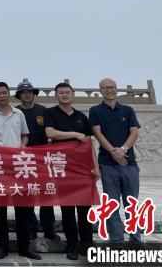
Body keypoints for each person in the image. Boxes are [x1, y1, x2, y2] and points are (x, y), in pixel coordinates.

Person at [0, 82, 40, 260]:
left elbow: (25, 135)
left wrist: (22, 148)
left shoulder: (19, 113)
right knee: (0, 208)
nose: (1, 96)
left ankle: (24, 246)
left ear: (9, 94)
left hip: (18, 165)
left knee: (21, 208)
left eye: (4, 93)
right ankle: (2, 246)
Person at [45, 82, 100, 260]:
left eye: (67, 92)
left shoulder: (81, 117)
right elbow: (51, 133)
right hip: (62, 167)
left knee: (84, 209)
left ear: (73, 94)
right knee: (67, 209)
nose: (65, 95)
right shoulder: (51, 113)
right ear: (56, 95)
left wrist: (95, 166)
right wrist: (75, 135)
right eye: (61, 93)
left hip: (82, 168)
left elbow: (89, 144)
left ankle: (87, 244)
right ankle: (72, 245)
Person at [89, 78, 141, 243]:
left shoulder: (127, 110)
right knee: (111, 204)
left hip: (129, 163)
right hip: (107, 164)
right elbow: (97, 133)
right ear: (101, 90)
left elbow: (134, 132)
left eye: (112, 87)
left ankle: (135, 239)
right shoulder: (95, 110)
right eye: (105, 88)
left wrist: (123, 150)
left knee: (131, 203)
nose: (109, 90)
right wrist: (113, 151)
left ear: (116, 89)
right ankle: (117, 240)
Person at [14, 81, 60, 242]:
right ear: (19, 95)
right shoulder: (15, 112)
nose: (27, 94)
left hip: (42, 158)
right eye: (23, 92)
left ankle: (49, 228)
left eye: (29, 92)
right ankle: (31, 227)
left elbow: (50, 132)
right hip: (23, 158)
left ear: (34, 94)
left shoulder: (43, 111)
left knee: (46, 193)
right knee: (28, 193)